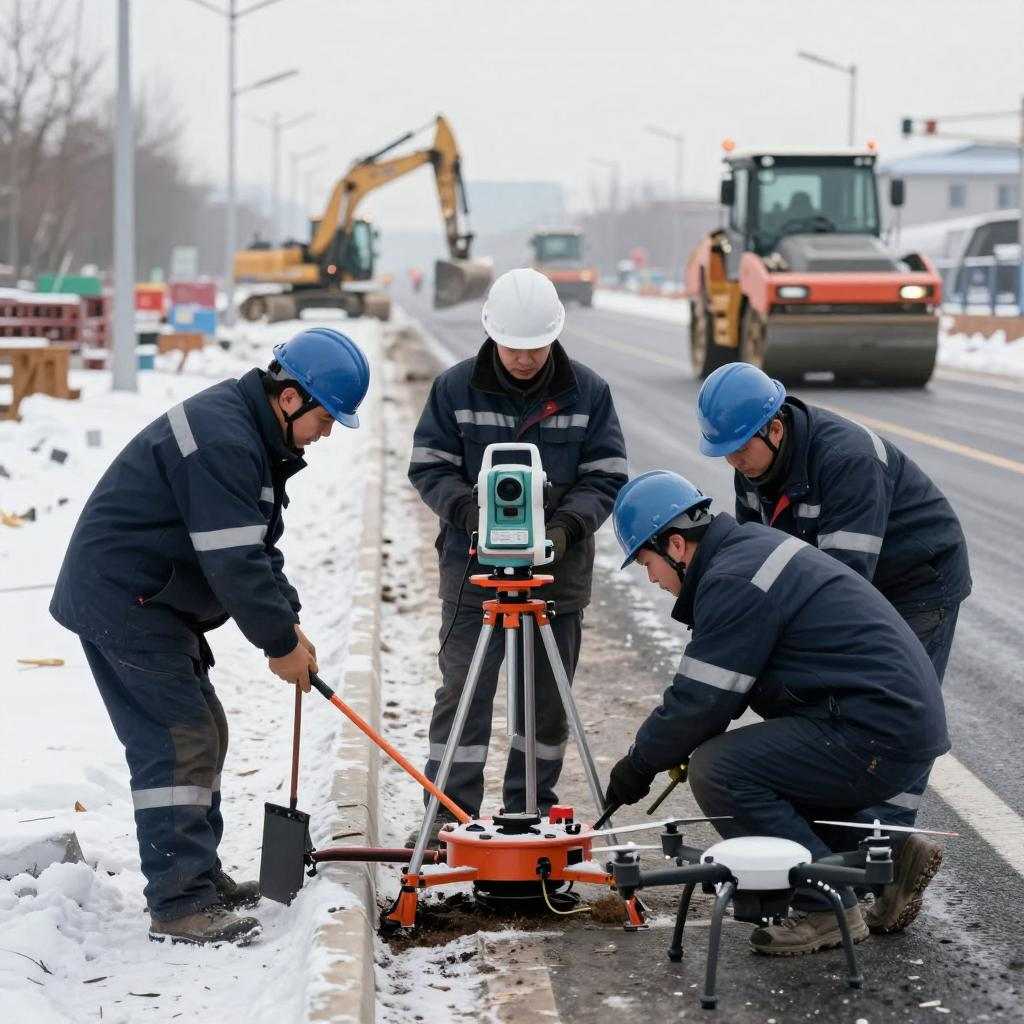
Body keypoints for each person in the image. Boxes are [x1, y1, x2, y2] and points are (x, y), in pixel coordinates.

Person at [50, 328, 370, 946]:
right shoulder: (225, 440)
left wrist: (288, 621)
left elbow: (253, 545)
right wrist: (277, 643)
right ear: (290, 399)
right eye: (327, 418)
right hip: (124, 598)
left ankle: (199, 877)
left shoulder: (250, 433)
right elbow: (233, 564)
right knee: (179, 739)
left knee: (205, 728)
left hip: (153, 595)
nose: (327, 433)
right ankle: (179, 904)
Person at [604, 470, 949, 955]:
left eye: (647, 563)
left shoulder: (733, 580)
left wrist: (639, 764)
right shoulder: (746, 552)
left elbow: (700, 702)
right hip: (888, 722)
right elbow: (714, 698)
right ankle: (892, 857)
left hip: (877, 731)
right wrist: (667, 745)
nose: (652, 579)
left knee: (720, 771)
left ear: (676, 545)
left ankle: (826, 908)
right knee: (763, 763)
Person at [695, 362, 970, 932]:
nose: (733, 463)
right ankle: (867, 854)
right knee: (821, 715)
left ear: (775, 428)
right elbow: (758, 564)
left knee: (888, 713)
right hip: (852, 586)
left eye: (739, 449)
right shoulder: (754, 468)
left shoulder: (847, 460)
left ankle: (887, 863)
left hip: (916, 583)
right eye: (725, 453)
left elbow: (844, 590)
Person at [407, 268, 627, 839]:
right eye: (513, 347)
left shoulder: (588, 392)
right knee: (463, 692)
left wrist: (563, 529)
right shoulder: (455, 389)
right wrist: (471, 514)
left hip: (557, 574)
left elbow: (606, 476)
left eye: (536, 347)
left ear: (554, 334)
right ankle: (448, 814)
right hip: (472, 570)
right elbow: (429, 467)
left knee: (545, 703)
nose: (525, 359)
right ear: (491, 333)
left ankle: (530, 809)